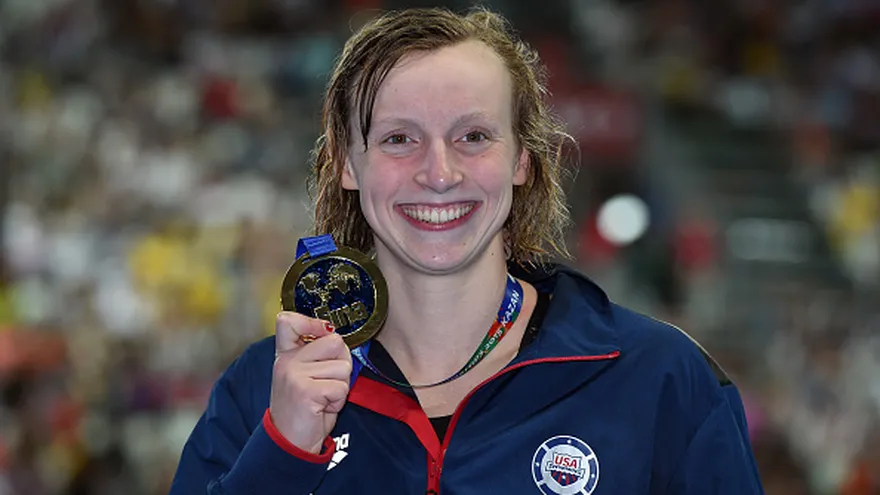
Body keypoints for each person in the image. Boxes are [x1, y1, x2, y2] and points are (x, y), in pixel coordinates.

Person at [170, 7, 765, 494]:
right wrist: (281, 454)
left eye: (473, 136)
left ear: (523, 160)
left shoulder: (658, 379)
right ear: (348, 164)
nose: (440, 172)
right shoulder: (262, 390)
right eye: (399, 138)